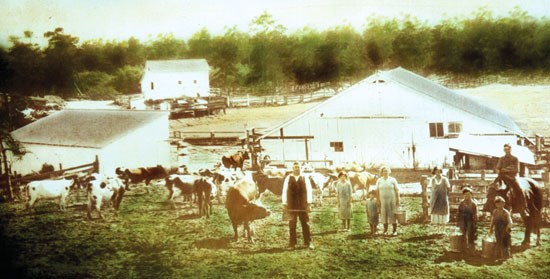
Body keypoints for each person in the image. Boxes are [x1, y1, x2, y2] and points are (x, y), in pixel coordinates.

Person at [282, 162, 314, 250]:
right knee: (292, 224)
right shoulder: (288, 178)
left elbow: (309, 191)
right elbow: (284, 191)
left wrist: (309, 204)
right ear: (292, 168)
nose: (297, 169)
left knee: (305, 223)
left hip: (303, 205)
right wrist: (284, 204)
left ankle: (308, 242)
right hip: (291, 205)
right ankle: (292, 244)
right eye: (295, 167)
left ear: (301, 168)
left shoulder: (305, 178)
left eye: (298, 167)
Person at [494, 143, 527, 216]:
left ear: (510, 149)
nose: (506, 151)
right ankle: (488, 206)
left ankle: (523, 208)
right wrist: (502, 171)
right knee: (492, 188)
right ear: (504, 150)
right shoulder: (501, 159)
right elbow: (497, 169)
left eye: (508, 149)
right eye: (505, 149)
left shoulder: (515, 159)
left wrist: (505, 170)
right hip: (502, 177)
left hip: (512, 178)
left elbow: (516, 170)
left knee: (519, 190)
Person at [376, 166, 400, 236]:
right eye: (384, 171)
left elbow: (397, 190)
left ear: (389, 172)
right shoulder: (379, 180)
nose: (385, 172)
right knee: (383, 214)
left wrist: (398, 199)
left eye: (386, 171)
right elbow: (377, 191)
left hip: (392, 200)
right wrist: (377, 199)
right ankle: (385, 230)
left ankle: (394, 230)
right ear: (381, 172)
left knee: (393, 214)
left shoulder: (393, 180)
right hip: (382, 200)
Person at [430, 167, 450, 234]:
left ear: (441, 172)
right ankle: (437, 230)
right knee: (436, 213)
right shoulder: (432, 179)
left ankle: (443, 230)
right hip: (435, 199)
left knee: (443, 213)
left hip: (443, 199)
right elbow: (430, 188)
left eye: (439, 171)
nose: (438, 173)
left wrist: (445, 196)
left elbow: (448, 188)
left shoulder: (445, 179)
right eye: (436, 171)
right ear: (434, 172)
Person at [457, 187, 478, 252]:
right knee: (463, 231)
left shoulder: (473, 204)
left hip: (470, 219)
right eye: (466, 195)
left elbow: (475, 213)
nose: (467, 196)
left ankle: (471, 245)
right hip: (463, 219)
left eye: (469, 195)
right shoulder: (461, 203)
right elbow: (459, 212)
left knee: (470, 232)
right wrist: (458, 220)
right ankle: (463, 245)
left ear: (471, 195)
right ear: (463, 195)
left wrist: (475, 221)